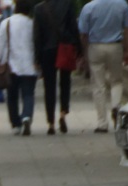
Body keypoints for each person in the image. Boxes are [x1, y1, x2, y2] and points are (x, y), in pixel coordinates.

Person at [77, 0, 128, 132]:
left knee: (98, 85)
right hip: (115, 46)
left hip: (95, 46)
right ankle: (116, 105)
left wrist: (84, 54)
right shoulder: (122, 5)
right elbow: (127, 29)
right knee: (116, 81)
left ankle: (102, 123)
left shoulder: (89, 7)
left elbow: (84, 34)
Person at [33, 0, 80, 134]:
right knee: (65, 83)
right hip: (64, 48)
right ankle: (63, 114)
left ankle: (51, 123)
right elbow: (73, 27)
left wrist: (37, 57)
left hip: (47, 51)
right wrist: (78, 48)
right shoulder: (68, 4)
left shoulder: (39, 8)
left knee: (49, 87)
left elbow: (37, 35)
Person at [0, 0, 37, 136]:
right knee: (28, 94)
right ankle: (26, 116)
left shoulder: (7, 23)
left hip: (11, 66)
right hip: (30, 65)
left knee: (12, 96)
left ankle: (16, 124)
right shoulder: (32, 24)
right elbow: (37, 43)